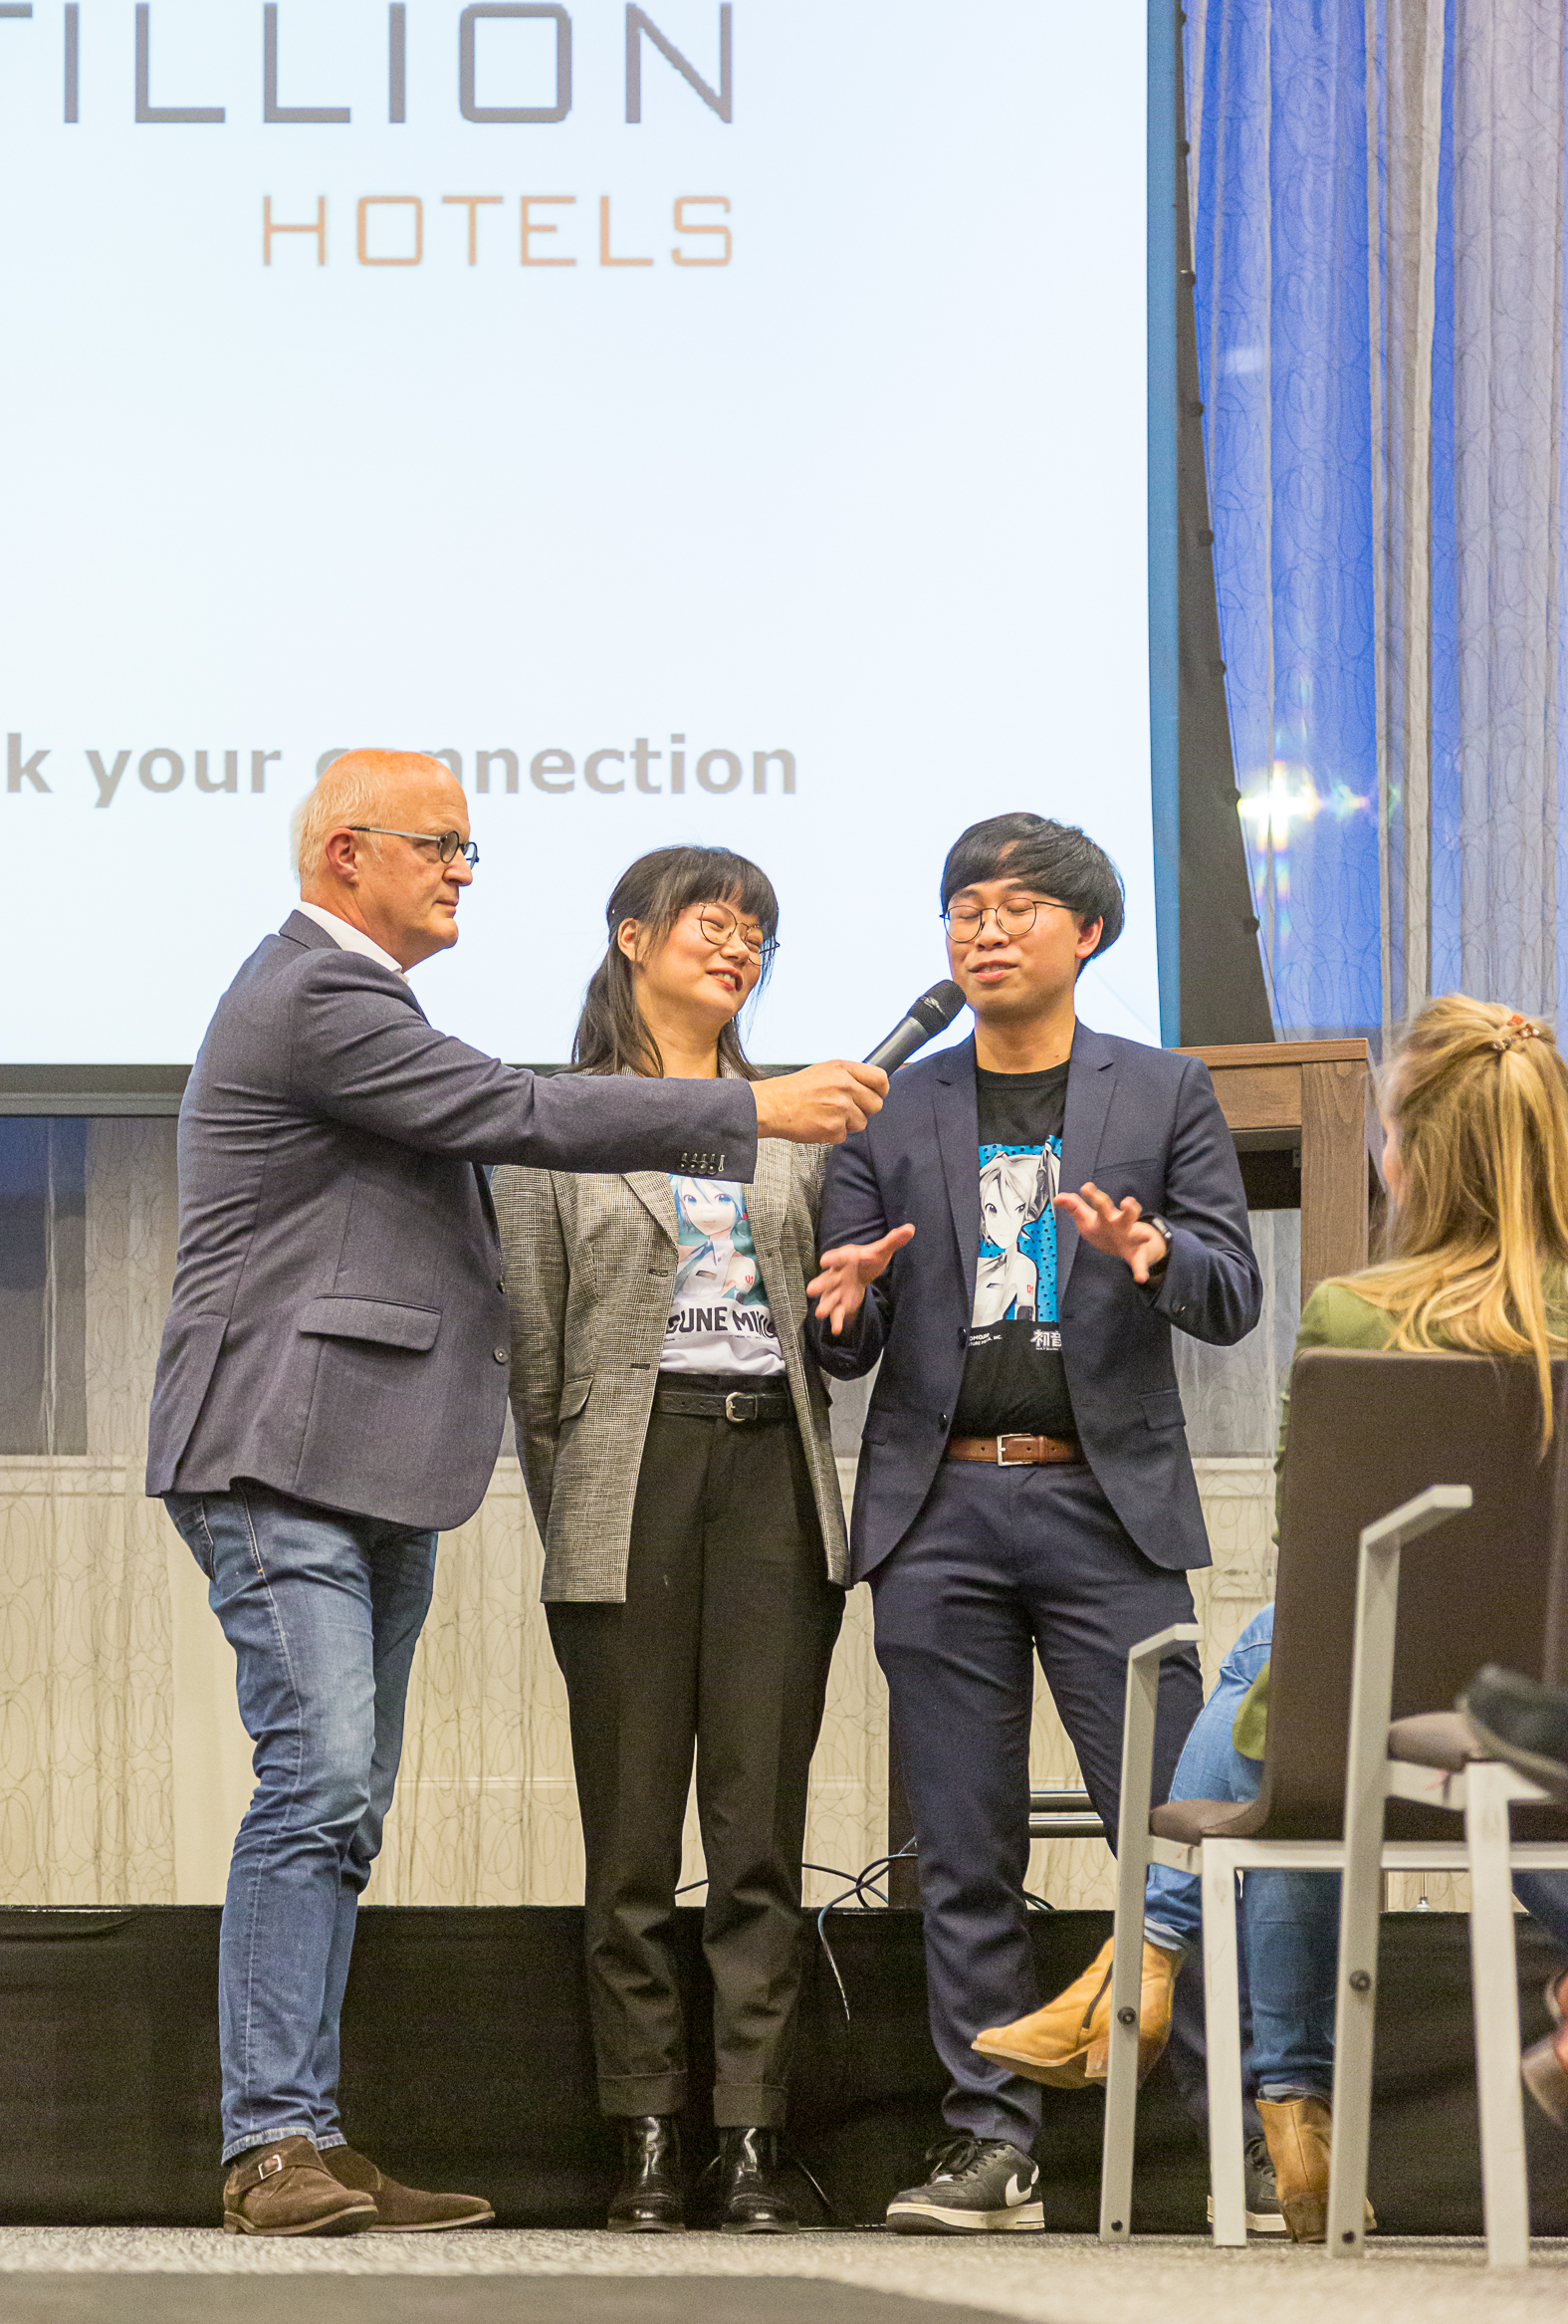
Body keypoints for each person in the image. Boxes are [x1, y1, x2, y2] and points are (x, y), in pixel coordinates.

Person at [146, 751, 888, 2237]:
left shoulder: (371, 1003)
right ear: (346, 853)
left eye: (467, 850)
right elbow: (515, 1112)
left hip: (369, 1460)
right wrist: (750, 1111)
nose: (461, 872)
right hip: (279, 1449)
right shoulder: (316, 989)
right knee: (319, 1783)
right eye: (440, 846)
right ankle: (269, 2140)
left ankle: (307, 2129)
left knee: (344, 1804)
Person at [987, 994, 1568, 2239]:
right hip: (1545, 1750)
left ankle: (1185, 2003)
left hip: (1383, 1743)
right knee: (1295, 1660)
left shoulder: (1361, 1316)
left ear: (1413, 1156)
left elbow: (1322, 1562)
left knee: (1289, 1655)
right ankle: (1182, 2001)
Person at [805, 812, 1262, 2233]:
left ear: (1087, 932)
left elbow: (1233, 1293)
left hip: (1104, 1507)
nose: (982, 930)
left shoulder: (1162, 1089)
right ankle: (990, 2145)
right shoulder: (893, 1104)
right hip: (938, 1509)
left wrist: (1154, 1250)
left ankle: (1240, 2138)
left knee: (1174, 1831)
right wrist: (844, 1307)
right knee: (964, 1848)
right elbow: (843, 1329)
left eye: (1014, 907)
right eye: (963, 908)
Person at [497, 846, 849, 2234]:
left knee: (758, 1834)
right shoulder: (551, 1121)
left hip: (774, 1475)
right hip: (627, 1476)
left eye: (758, 928)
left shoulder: (799, 1126)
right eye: (713, 919)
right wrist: (587, 1511)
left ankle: (750, 2138)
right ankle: (646, 2137)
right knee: (632, 1842)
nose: (739, 943)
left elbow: (830, 1326)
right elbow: (537, 1370)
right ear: (633, 937)